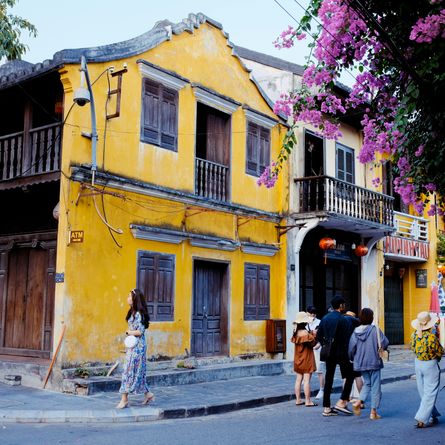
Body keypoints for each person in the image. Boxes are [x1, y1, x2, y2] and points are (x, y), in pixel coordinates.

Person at [316, 295, 355, 417]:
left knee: (329, 379)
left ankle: (327, 408)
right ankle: (342, 401)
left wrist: (326, 344)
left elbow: (319, 337)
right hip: (342, 352)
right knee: (350, 375)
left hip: (329, 352)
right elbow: (347, 337)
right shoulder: (344, 319)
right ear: (341, 306)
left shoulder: (325, 318)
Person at [116, 288, 155, 409]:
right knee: (138, 372)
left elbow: (140, 331)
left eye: (129, 296)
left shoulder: (139, 314)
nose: (127, 298)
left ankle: (124, 399)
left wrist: (129, 332)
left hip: (138, 347)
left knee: (128, 371)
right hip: (133, 346)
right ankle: (148, 394)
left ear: (135, 299)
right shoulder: (132, 312)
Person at [348, 308, 389, 420]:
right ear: (371, 318)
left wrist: (352, 359)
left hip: (360, 362)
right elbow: (385, 342)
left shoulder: (355, 331)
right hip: (374, 361)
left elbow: (351, 348)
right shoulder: (375, 329)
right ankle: (373, 412)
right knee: (375, 386)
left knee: (367, 383)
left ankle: (358, 402)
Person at [410, 311, 444, 428]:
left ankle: (432, 414)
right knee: (430, 392)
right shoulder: (431, 337)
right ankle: (422, 418)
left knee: (423, 391)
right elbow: (440, 351)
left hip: (418, 363)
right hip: (430, 365)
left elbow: (412, 348)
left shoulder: (414, 335)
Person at [291, 311, 318, 407]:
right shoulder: (306, 333)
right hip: (306, 359)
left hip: (298, 358)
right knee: (306, 381)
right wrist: (314, 335)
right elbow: (313, 344)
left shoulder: (295, 332)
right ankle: (308, 401)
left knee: (298, 379)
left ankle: (298, 399)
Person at [344, 310, 363, 403]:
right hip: (355, 354)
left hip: (345, 353)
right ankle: (361, 399)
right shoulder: (357, 330)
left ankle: (346, 397)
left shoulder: (343, 326)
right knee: (358, 375)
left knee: (345, 376)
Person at [306, 305, 325, 399]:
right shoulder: (304, 323)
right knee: (308, 370)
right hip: (308, 348)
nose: (312, 315)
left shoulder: (319, 322)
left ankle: (322, 389)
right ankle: (306, 386)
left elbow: (321, 336)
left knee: (319, 370)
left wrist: (318, 345)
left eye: (314, 314)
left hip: (317, 348)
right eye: (310, 313)